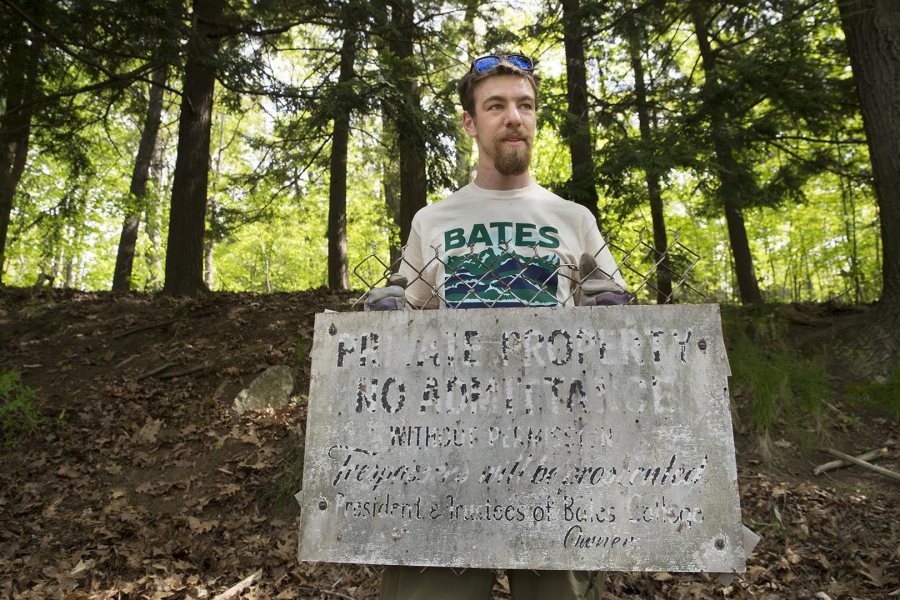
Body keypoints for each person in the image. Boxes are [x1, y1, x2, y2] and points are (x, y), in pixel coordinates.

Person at [371, 52, 629, 600]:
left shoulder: (574, 219)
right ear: (470, 122)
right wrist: (385, 321)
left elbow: (615, 341)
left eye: (525, 105)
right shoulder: (432, 220)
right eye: (496, 106)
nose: (514, 117)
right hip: (446, 457)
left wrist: (614, 316)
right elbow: (404, 330)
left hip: (558, 460)